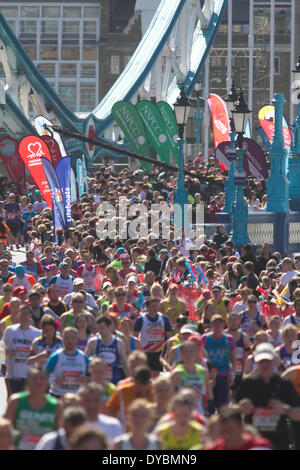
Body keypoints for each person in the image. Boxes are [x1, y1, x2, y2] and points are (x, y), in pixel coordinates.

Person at [236, 342, 300, 450]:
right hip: (254, 443)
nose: (265, 365)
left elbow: (298, 413)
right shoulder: (247, 384)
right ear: (256, 362)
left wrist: (285, 410)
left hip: (279, 443)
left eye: (268, 361)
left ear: (275, 361)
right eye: (261, 361)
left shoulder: (285, 384)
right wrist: (241, 409)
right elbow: (232, 410)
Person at [4, 367, 61, 450]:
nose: (38, 381)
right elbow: (4, 428)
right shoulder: (16, 401)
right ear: (27, 381)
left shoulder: (55, 405)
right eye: (34, 378)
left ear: (47, 382)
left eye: (42, 378)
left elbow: (59, 432)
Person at [201, 314, 236, 414]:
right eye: (215, 323)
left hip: (223, 374)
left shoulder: (229, 339)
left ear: (224, 324)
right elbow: (200, 357)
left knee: (223, 406)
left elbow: (233, 359)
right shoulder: (205, 338)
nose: (217, 325)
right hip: (209, 376)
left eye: (220, 323)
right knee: (209, 406)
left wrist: (232, 375)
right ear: (211, 325)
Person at [2, 304, 40, 396]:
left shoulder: (37, 333)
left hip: (30, 376)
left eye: (27, 314)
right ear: (18, 315)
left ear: (30, 316)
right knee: (13, 401)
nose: (24, 316)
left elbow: (41, 353)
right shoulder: (10, 330)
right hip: (14, 375)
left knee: (28, 402)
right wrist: (7, 352)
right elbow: (1, 348)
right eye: (22, 314)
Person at [45, 327, 89, 398]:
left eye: (72, 338)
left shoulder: (84, 357)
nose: (69, 341)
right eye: (67, 338)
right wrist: (54, 381)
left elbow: (89, 377)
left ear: (77, 340)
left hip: (77, 397)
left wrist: (86, 380)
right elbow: (44, 375)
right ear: (63, 340)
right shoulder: (55, 356)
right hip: (57, 395)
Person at [204, 405, 273, 450]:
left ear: (242, 428)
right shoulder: (213, 448)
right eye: (222, 432)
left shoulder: (260, 447)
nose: (226, 436)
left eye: (229, 431)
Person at [170, 340, 211, 415]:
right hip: (182, 411)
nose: (189, 354)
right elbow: (170, 394)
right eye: (186, 351)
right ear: (181, 354)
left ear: (196, 353)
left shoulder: (203, 371)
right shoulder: (176, 372)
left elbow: (209, 393)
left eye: (191, 351)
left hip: (199, 410)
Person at [134, 297, 172, 376]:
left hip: (159, 352)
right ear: (147, 308)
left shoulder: (164, 319)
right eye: (152, 307)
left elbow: (169, 337)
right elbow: (135, 338)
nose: (154, 309)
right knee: (146, 375)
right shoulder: (141, 319)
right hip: (145, 352)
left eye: (156, 306)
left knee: (156, 375)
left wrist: (168, 352)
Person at [86, 315, 129, 384]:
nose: (100, 330)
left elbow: (124, 363)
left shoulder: (119, 342)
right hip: (97, 382)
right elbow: (85, 360)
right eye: (98, 328)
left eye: (102, 328)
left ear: (109, 327)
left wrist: (129, 378)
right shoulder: (93, 342)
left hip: (114, 380)